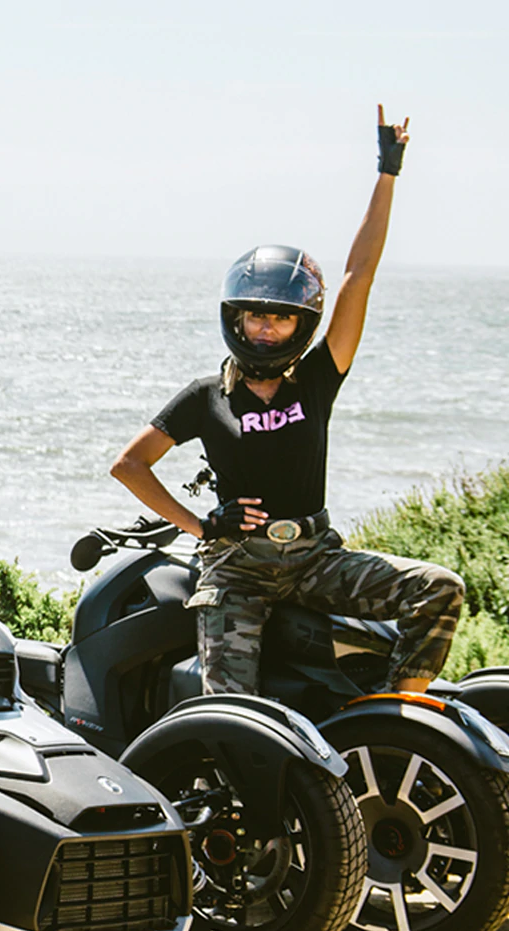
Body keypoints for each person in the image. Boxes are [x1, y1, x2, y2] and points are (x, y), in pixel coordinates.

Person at [110, 106, 464, 697]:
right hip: (236, 570)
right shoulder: (205, 395)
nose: (266, 329)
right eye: (255, 316)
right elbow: (129, 464)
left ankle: (395, 714)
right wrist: (201, 524)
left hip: (315, 556)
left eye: (279, 317)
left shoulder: (317, 378)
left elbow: (358, 275)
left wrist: (388, 171)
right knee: (231, 710)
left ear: (301, 323)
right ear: (236, 319)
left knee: (441, 588)